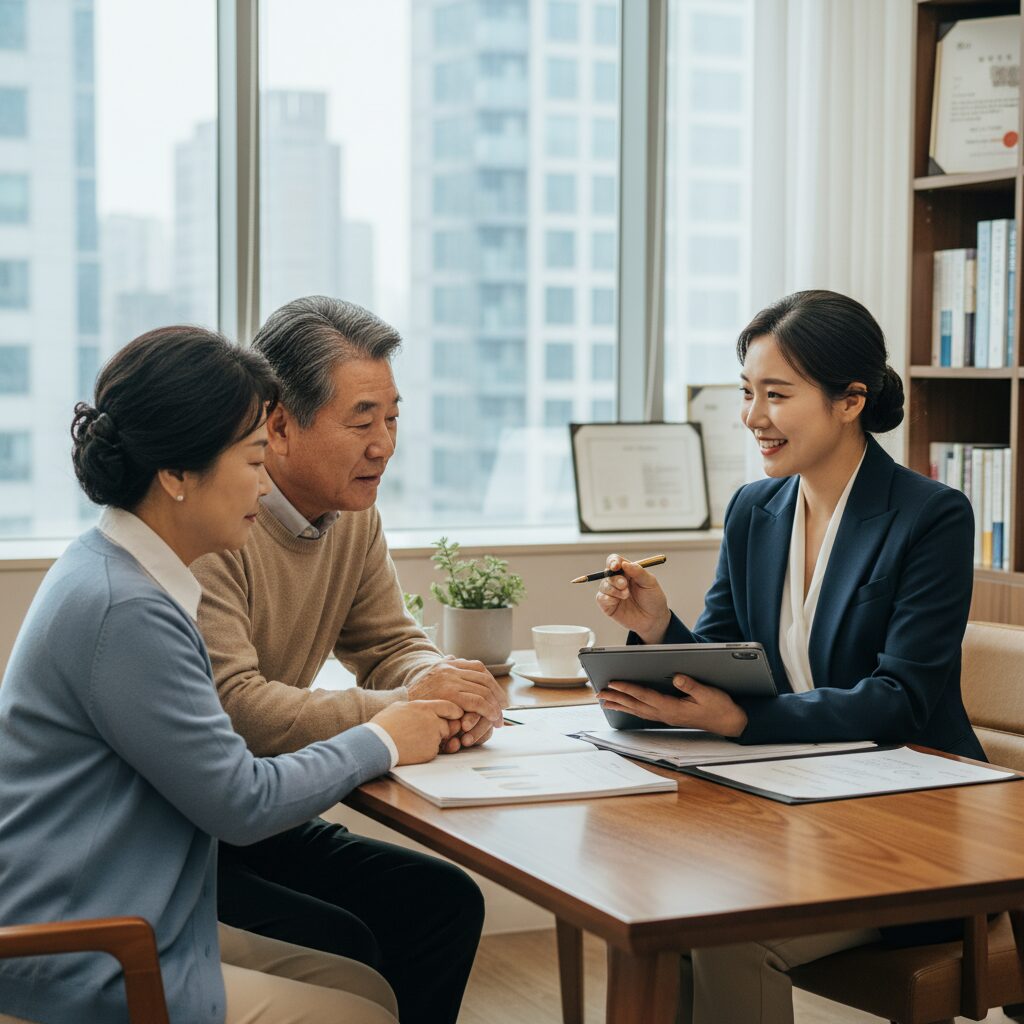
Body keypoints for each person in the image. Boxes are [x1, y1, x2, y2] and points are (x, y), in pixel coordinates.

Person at [0, 326, 467, 1024]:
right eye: (252, 460)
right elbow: (240, 804)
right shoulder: (125, 609)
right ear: (177, 476)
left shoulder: (120, 574)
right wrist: (387, 735)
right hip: (89, 952)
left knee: (374, 988)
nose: (263, 482)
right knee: (365, 1012)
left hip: (139, 914)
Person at [594, 290, 983, 1024]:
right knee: (659, 905)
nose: (752, 417)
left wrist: (744, 721)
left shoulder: (930, 516)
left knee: (724, 934)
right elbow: (726, 660)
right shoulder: (754, 509)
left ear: (849, 401)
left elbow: (899, 697)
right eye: (748, 393)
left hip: (904, 832)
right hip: (784, 810)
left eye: (777, 394)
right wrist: (656, 624)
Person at [191, 296, 495, 1024]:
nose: (384, 444)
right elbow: (238, 708)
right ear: (279, 424)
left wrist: (436, 681)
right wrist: (400, 714)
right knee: (348, 940)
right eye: (362, 420)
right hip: (194, 827)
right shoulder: (211, 523)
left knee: (444, 901)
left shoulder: (352, 517)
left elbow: (388, 642)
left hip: (264, 812)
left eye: (392, 418)